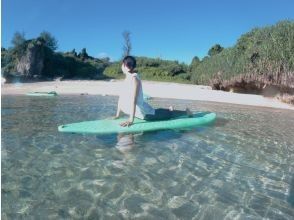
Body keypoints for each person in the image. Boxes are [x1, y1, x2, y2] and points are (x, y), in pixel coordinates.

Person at [115, 56, 192, 127]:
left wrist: (131, 120)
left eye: (122, 64)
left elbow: (133, 100)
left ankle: (186, 112)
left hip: (146, 114)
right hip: (140, 113)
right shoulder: (126, 79)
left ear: (126, 67)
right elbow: (121, 98)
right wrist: (117, 115)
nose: (121, 66)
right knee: (159, 111)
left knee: (167, 114)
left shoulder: (134, 79)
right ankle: (169, 109)